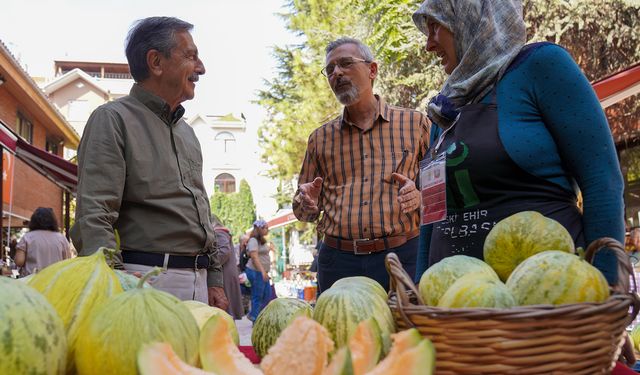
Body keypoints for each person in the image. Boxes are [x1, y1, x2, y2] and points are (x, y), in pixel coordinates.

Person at [411, 0, 624, 286]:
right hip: (453, 309)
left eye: (436, 26)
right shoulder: (446, 105)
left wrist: (607, 285)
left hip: (548, 299)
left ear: (471, 15)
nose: (428, 45)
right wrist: (419, 291)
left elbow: (602, 181)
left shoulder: (541, 66)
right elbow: (432, 214)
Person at [70, 16, 228, 309]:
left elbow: (202, 212)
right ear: (156, 62)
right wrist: (115, 286)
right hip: (144, 281)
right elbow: (94, 215)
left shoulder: (188, 133)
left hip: (199, 281)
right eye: (191, 56)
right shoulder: (112, 119)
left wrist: (214, 279)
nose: (201, 68)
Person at [293, 37, 430, 293]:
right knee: (340, 333)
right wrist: (306, 203)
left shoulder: (416, 124)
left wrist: (420, 195)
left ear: (372, 70)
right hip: (338, 262)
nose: (337, 73)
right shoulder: (319, 139)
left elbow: (442, 191)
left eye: (345, 63)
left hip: (403, 257)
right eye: (330, 69)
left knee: (405, 331)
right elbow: (304, 213)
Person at [15, 207, 71, 276]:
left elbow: (19, 261)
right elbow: (68, 261)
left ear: (33, 221)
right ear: (53, 221)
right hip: (55, 280)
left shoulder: (27, 237)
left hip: (32, 281)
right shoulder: (62, 238)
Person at [211, 215, 244, 319]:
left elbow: (224, 252)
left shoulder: (219, 232)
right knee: (226, 310)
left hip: (224, 274)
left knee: (225, 309)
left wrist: (209, 263)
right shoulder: (222, 232)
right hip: (226, 273)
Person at [245, 220, 272, 322]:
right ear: (259, 229)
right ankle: (254, 317)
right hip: (256, 271)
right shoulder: (253, 240)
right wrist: (262, 271)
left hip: (261, 271)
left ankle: (256, 316)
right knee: (258, 295)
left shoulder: (260, 240)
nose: (267, 230)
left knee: (267, 294)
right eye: (265, 227)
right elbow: (254, 257)